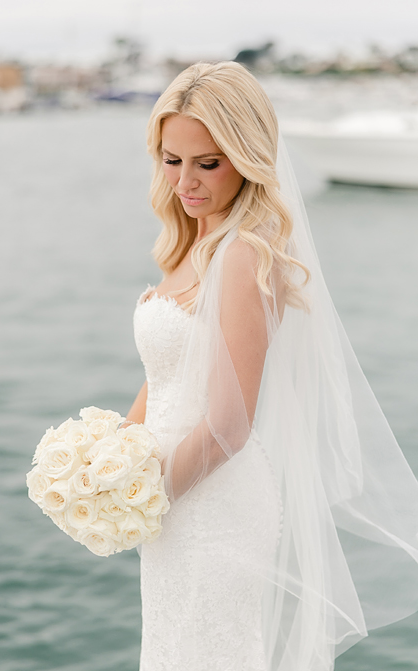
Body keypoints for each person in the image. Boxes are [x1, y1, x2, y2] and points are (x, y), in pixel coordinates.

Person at [127, 62, 418, 670]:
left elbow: (229, 426)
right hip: (171, 495)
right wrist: (109, 457)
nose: (185, 182)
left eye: (208, 163)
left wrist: (145, 496)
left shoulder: (242, 254)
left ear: (247, 157)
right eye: (172, 160)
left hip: (211, 500)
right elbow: (165, 375)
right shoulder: (190, 243)